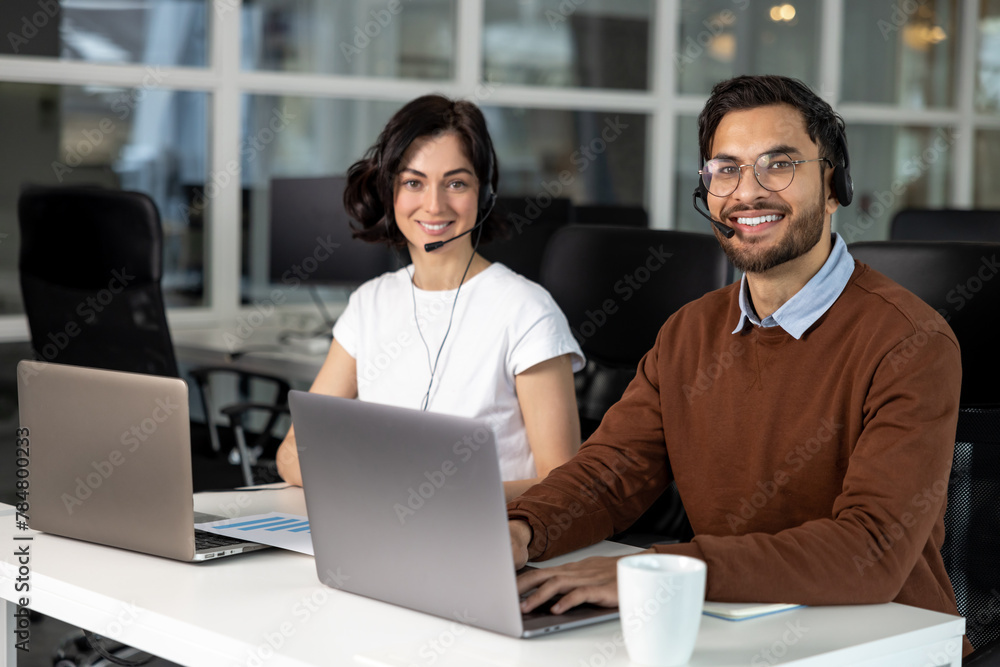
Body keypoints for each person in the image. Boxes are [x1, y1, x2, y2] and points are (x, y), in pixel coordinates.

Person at [508, 75, 970, 657]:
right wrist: (523, 531)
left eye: (778, 164)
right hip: (734, 628)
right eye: (725, 169)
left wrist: (659, 570)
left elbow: (871, 549)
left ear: (833, 185)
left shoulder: (910, 342)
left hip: (881, 642)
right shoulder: (689, 331)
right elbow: (610, 474)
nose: (747, 192)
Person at [276, 94, 585, 502]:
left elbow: (563, 485)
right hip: (382, 528)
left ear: (485, 194)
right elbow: (293, 452)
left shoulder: (526, 311)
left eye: (455, 183)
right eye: (413, 182)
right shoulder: (370, 304)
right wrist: (376, 490)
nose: (434, 205)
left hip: (489, 538)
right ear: (391, 192)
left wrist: (429, 497)